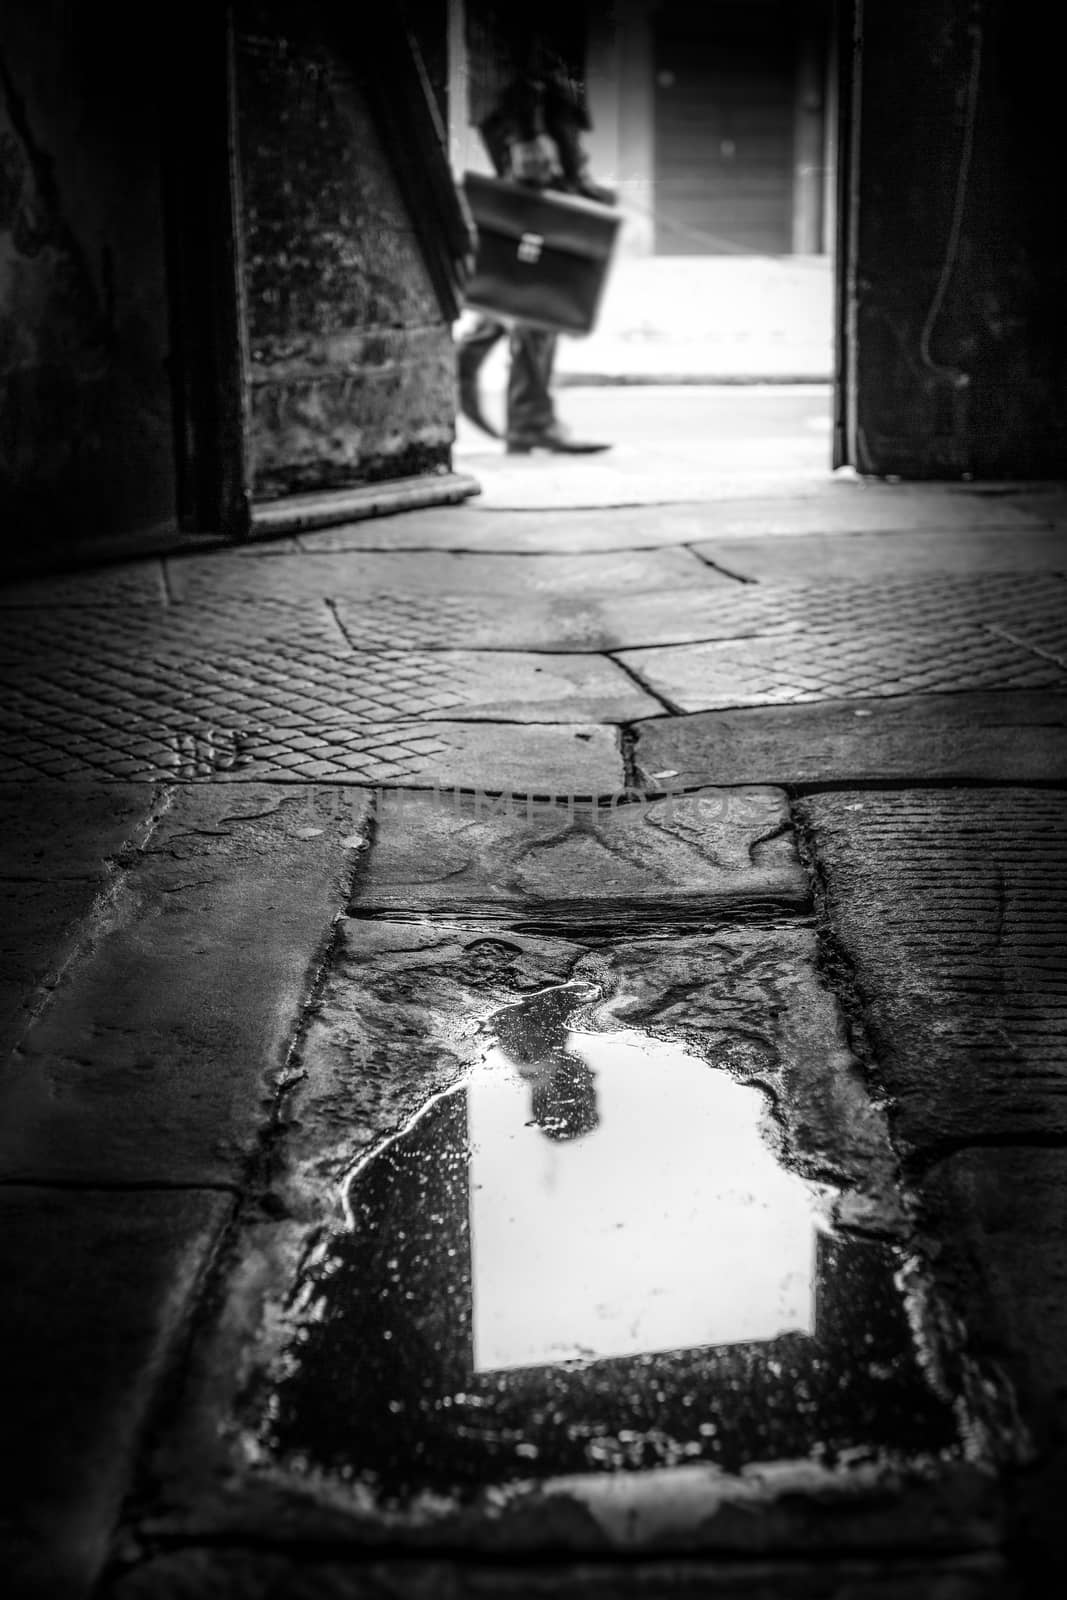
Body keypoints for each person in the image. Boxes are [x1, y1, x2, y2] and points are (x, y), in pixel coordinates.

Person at [457, 35, 613, 455]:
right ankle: (528, 415)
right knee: (550, 269)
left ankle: (488, 373)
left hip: (539, 112)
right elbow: (510, 24)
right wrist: (528, 130)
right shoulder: (530, 119)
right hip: (532, 114)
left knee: (543, 265)